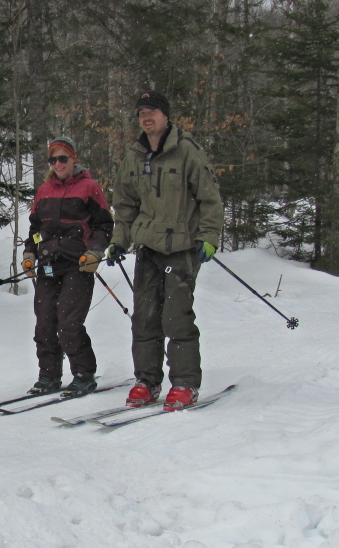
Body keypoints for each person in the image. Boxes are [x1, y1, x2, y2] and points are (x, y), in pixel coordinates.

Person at [107, 91, 224, 410]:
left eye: (152, 111)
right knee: (144, 319)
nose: (146, 117)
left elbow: (210, 198)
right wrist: (119, 240)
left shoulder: (186, 150)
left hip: (181, 248)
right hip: (148, 248)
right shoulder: (134, 156)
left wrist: (209, 236)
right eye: (141, 112)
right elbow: (125, 205)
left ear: (166, 115)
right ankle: (147, 381)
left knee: (176, 318)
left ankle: (185, 383)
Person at [22, 137, 114, 396]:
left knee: (69, 323)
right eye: (53, 159)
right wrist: (30, 253)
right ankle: (49, 375)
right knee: (44, 323)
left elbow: (104, 225)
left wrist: (95, 252)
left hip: (78, 265)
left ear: (73, 159)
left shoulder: (89, 187)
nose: (58, 164)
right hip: (48, 265)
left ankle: (84, 374)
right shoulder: (43, 191)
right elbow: (36, 229)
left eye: (63, 158)